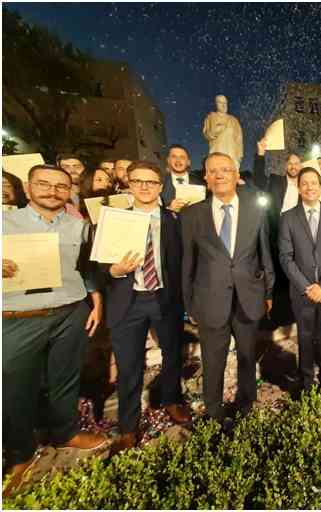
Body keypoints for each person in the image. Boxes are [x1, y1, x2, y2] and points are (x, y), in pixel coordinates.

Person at [2, 165, 109, 496]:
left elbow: (86, 268)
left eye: (61, 186)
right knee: (14, 387)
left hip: (70, 312)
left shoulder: (79, 226)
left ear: (68, 190)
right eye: (44, 184)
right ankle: (20, 454)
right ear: (28, 187)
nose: (52, 191)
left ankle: (65, 432)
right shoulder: (5, 222)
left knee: (65, 379)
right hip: (19, 315)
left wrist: (96, 301)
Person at [99, 161, 191, 453]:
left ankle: (171, 400)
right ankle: (128, 425)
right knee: (129, 366)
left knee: (172, 354)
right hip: (128, 301)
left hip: (165, 298)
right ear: (129, 184)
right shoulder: (114, 220)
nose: (144, 187)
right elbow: (96, 266)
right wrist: (113, 270)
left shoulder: (176, 221)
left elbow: (186, 261)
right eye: (138, 181)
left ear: (160, 187)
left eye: (151, 182)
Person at [181, 152, 274, 425]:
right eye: (213, 171)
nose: (219, 175)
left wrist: (268, 292)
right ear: (206, 178)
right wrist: (189, 303)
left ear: (236, 176)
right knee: (213, 360)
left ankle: (246, 405)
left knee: (247, 355)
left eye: (225, 170)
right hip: (209, 300)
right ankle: (214, 412)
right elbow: (187, 262)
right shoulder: (192, 215)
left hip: (249, 297)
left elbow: (265, 253)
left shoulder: (255, 210)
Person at [278, 167, 321, 392]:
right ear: (298, 188)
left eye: (313, 183)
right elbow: (286, 257)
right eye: (304, 183)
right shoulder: (288, 217)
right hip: (302, 291)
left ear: (320, 185)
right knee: (305, 337)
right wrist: (307, 287)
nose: (309, 187)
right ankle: (306, 381)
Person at [254, 139, 301, 327]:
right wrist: (260, 154)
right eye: (290, 163)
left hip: (299, 238)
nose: (293, 166)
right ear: (286, 166)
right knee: (277, 275)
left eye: (297, 163)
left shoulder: (306, 185)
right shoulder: (275, 181)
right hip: (277, 235)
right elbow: (258, 180)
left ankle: (293, 314)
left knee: (295, 276)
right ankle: (276, 315)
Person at [160, 144, 205, 212]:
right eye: (174, 156)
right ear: (168, 160)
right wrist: (169, 210)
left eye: (182, 157)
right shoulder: (160, 183)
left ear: (188, 162)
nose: (178, 160)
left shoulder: (201, 184)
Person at [202, 95, 244, 167]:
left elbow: (239, 138)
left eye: (225, 103)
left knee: (231, 171)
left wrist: (239, 155)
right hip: (216, 152)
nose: (223, 105)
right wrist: (216, 130)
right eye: (220, 103)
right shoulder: (211, 117)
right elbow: (207, 134)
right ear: (216, 104)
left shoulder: (233, 120)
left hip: (231, 155)